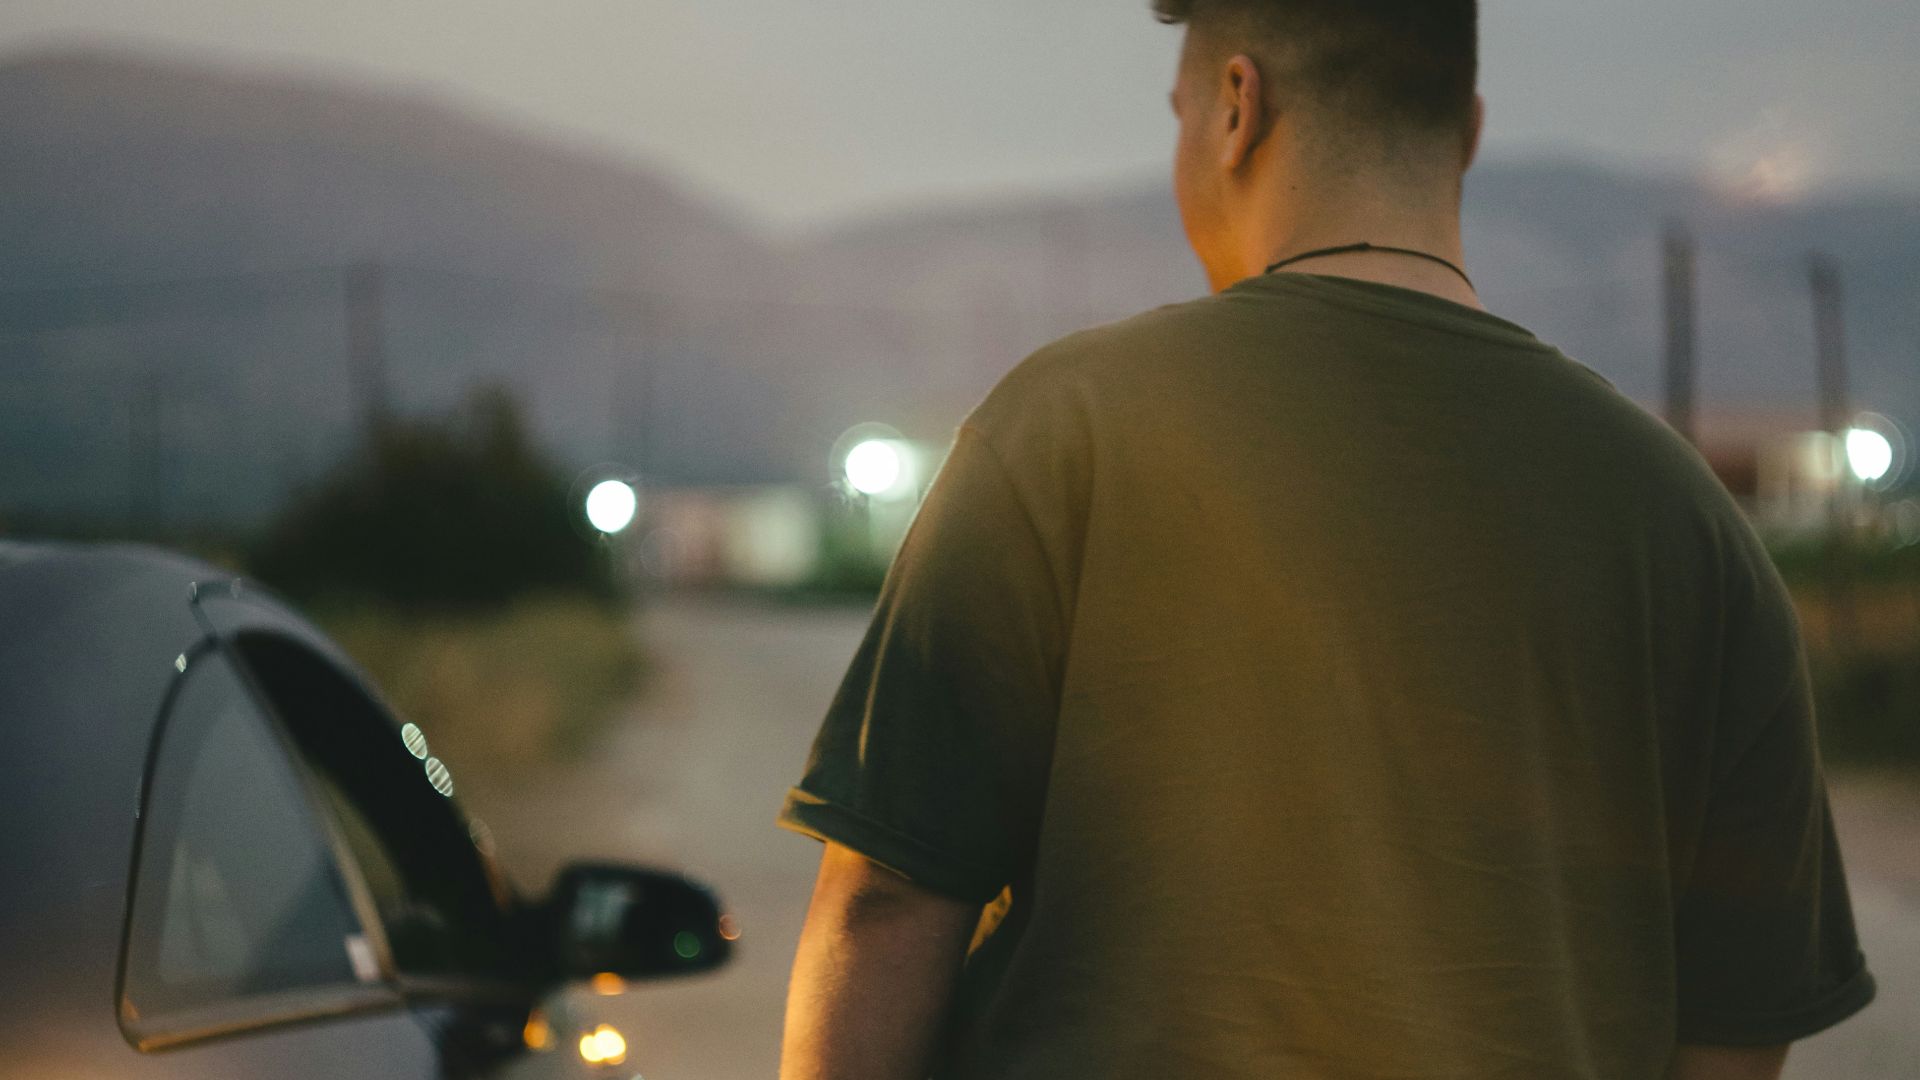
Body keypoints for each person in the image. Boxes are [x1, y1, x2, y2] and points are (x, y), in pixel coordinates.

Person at [773, 2, 1877, 1077]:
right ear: (1471, 132)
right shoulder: (1686, 519)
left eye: (1181, 111)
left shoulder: (1069, 427)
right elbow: (1737, 1026)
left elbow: (887, 904)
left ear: (1236, 110)